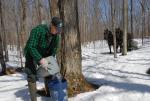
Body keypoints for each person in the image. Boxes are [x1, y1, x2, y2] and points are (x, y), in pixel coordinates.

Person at [24, 17, 62, 101]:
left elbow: (54, 50)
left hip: (44, 53)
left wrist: (49, 61)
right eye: (56, 29)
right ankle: (33, 99)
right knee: (31, 75)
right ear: (51, 25)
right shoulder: (38, 30)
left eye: (59, 30)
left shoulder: (56, 36)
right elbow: (31, 47)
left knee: (50, 70)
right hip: (31, 53)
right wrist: (40, 59)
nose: (57, 31)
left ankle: (48, 92)